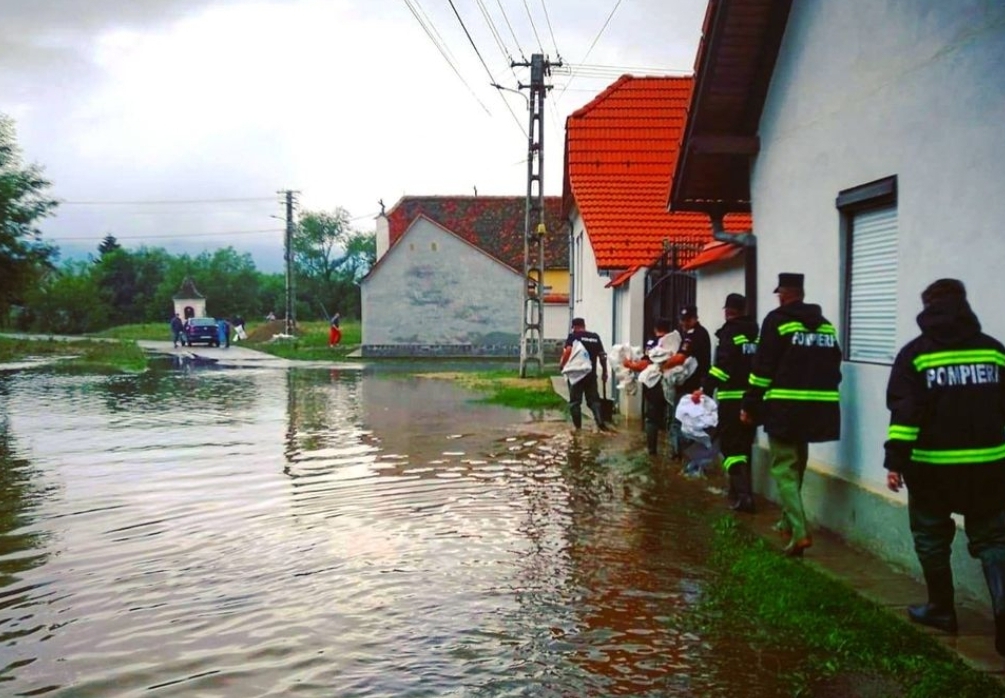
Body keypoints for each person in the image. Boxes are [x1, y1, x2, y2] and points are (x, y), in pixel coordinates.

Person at [884, 279, 1005, 654]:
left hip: (932, 469)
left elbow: (905, 415)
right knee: (993, 539)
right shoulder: (994, 352)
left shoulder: (915, 355)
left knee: (931, 537)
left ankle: (941, 610)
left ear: (928, 308)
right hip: (989, 467)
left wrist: (895, 462)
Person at [740, 272, 842, 556]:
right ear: (802, 294)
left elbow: (763, 367)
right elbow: (835, 362)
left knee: (784, 467)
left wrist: (750, 404)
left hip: (785, 407)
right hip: (819, 408)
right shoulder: (825, 325)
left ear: (783, 294)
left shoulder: (777, 321)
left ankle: (799, 532)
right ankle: (787, 521)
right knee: (798, 465)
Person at [694, 293, 759, 512]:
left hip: (732, 400)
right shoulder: (755, 334)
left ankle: (744, 496)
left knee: (730, 447)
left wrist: (705, 388)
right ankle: (737, 492)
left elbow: (722, 367)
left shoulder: (730, 333)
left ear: (727, 311)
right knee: (744, 447)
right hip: (752, 400)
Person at [664, 305, 712, 461]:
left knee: (680, 422)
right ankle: (689, 459)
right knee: (691, 423)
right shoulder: (695, 333)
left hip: (692, 388)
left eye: (686, 320)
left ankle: (680, 457)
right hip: (696, 387)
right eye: (682, 320)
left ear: (694, 319)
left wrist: (661, 366)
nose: (683, 323)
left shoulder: (695, 335)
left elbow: (680, 358)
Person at [623, 317, 674, 455]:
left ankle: (652, 451)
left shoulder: (653, 343)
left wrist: (629, 364)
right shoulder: (674, 344)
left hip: (654, 386)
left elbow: (645, 364)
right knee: (672, 418)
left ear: (655, 329)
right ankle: (674, 453)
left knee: (652, 418)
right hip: (672, 384)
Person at [559, 317, 614, 433]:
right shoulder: (595, 337)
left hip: (576, 375)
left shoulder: (573, 336)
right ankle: (600, 422)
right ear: (584, 325)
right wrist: (605, 371)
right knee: (593, 400)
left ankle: (578, 428)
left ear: (574, 327)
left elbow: (568, 351)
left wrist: (562, 365)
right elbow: (602, 356)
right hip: (590, 374)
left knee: (575, 402)